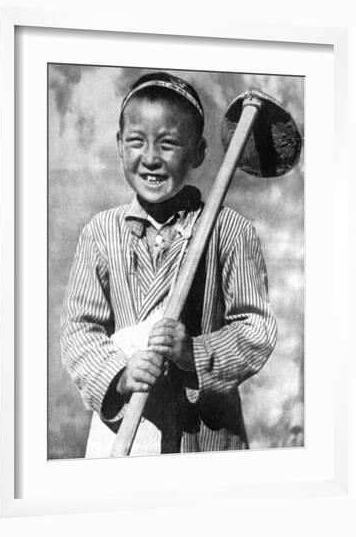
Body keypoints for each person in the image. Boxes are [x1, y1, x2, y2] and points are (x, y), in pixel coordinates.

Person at [60, 72, 277, 457]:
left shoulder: (230, 231)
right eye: (136, 142)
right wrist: (121, 375)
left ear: (199, 153)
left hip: (205, 436)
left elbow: (256, 331)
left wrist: (192, 351)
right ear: (119, 146)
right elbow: (79, 330)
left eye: (169, 144)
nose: (150, 159)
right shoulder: (100, 233)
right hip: (126, 429)